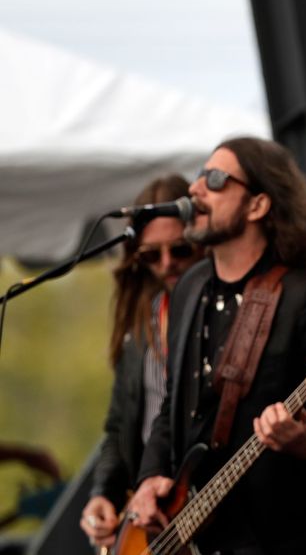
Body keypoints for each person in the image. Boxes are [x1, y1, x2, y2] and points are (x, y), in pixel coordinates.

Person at [127, 137, 306, 554]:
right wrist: (149, 476)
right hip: (195, 532)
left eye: (216, 179)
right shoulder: (191, 287)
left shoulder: (304, 295)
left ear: (258, 205)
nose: (195, 189)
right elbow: (174, 406)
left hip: (278, 538)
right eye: (198, 177)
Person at [80, 175, 205, 549]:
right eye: (152, 255)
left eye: (180, 250)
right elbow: (119, 426)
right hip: (151, 511)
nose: (167, 264)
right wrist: (103, 493)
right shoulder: (142, 320)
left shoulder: (221, 311)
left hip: (208, 497)